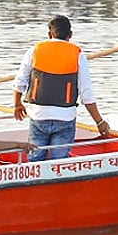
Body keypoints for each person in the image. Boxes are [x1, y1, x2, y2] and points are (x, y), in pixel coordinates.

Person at [12, 16, 110, 162]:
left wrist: (17, 104)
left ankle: (35, 182)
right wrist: (99, 122)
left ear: (49, 34)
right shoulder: (78, 55)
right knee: (59, 162)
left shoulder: (34, 51)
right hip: (65, 117)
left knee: (35, 159)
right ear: (70, 35)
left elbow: (19, 82)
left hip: (39, 116)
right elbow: (86, 94)